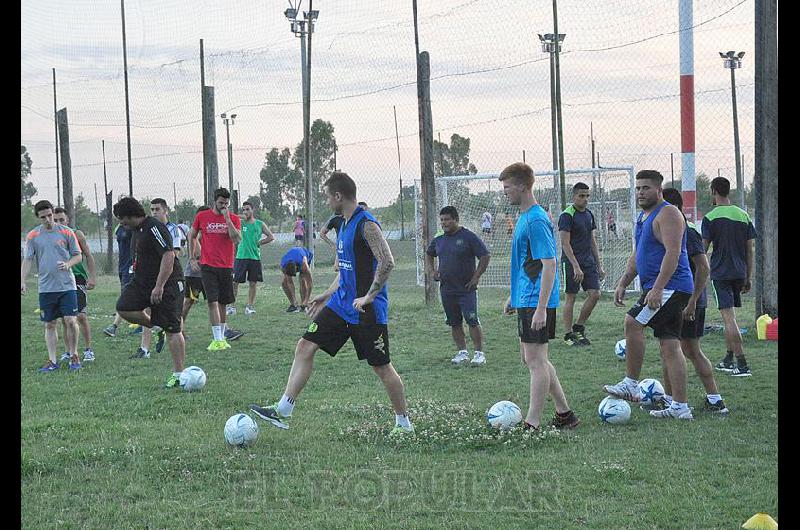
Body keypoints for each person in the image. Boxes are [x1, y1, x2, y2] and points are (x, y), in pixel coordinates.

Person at [250, 171, 413, 435]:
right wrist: (327, 294)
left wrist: (370, 295)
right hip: (340, 305)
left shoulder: (366, 225)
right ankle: (283, 410)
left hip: (366, 311)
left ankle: (403, 423)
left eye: (328, 196)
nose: (326, 201)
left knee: (381, 367)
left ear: (338, 196)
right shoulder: (343, 223)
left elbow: (387, 261)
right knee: (305, 345)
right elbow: (347, 270)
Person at [604, 170, 695, 420]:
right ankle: (680, 407)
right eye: (638, 188)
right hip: (661, 287)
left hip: (670, 286)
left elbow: (673, 252)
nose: (640, 192)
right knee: (669, 345)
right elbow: (637, 255)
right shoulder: (643, 217)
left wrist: (657, 288)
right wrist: (623, 281)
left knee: (632, 322)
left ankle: (631, 383)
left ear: (659, 189)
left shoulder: (668, 213)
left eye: (646, 188)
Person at [500, 163, 579, 431]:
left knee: (536, 361)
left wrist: (541, 308)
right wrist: (515, 296)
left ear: (523, 186)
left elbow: (549, 264)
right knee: (534, 359)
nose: (505, 192)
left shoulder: (535, 219)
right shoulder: (524, 217)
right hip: (527, 298)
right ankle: (564, 413)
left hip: (537, 300)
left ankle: (532, 422)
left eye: (507, 187)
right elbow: (526, 262)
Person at [659, 188, 728, 414]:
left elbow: (703, 267)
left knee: (686, 350)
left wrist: (693, 302)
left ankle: (712, 400)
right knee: (674, 349)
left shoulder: (686, 230)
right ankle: (675, 399)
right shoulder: (669, 228)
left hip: (687, 302)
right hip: (676, 299)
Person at [113, 197, 186, 388]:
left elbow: (169, 255)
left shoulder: (154, 227)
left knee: (174, 329)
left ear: (130, 215)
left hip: (168, 283)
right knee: (124, 308)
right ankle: (157, 327)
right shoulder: (136, 231)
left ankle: (179, 375)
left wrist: (159, 285)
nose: (121, 223)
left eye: (122, 219)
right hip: (142, 282)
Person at [703, 176, 757, 378]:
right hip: (739, 272)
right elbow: (749, 250)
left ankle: (742, 364)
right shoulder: (743, 215)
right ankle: (728, 359)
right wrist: (748, 276)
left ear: (714, 191)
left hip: (720, 273)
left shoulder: (711, 217)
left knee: (729, 319)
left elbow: (703, 248)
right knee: (730, 317)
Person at [21, 200, 84, 372]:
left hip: (67, 286)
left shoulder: (66, 232)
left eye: (50, 215)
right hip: (46, 287)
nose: (48, 219)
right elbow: (27, 259)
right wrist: (22, 280)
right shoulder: (33, 236)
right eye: (44, 217)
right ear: (38, 217)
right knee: (50, 324)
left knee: (71, 320)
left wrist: (68, 264)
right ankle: (52, 360)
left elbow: (78, 256)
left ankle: (74, 355)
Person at [425, 206, 491, 366]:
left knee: (472, 320)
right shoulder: (439, 239)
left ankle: (479, 353)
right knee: (454, 322)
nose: (444, 223)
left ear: (455, 219)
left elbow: (485, 255)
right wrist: (432, 271)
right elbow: (429, 253)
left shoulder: (468, 237)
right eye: (441, 220)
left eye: (447, 219)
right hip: (447, 289)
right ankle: (462, 352)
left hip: (466, 289)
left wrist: (476, 277)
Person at [188, 188, 242, 352]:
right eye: (221, 203)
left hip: (226, 266)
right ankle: (217, 338)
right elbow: (191, 235)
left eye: (226, 203)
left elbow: (236, 238)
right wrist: (191, 258)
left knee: (223, 302)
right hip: (207, 265)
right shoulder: (202, 217)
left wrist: (227, 219)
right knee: (212, 301)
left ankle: (223, 335)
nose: (224, 206)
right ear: (214, 201)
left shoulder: (232, 218)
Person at [129, 198, 183, 359]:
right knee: (146, 309)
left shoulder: (173, 229)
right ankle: (144, 349)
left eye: (157, 209)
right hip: (150, 276)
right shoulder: (146, 228)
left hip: (169, 277)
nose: (154, 212)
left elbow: (175, 254)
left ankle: (176, 338)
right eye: (152, 209)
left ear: (166, 210)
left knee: (174, 314)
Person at [558, 183, 606, 346]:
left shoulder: (589, 214)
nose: (585, 199)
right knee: (571, 297)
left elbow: (592, 241)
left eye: (587, 196)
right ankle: (568, 335)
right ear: (574, 197)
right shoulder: (567, 215)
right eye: (581, 196)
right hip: (572, 263)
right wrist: (576, 266)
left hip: (588, 262)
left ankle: (578, 327)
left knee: (595, 294)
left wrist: (599, 265)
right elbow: (565, 243)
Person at [52, 208, 97, 363]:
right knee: (66, 318)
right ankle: (68, 351)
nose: (58, 223)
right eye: (55, 220)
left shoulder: (77, 234)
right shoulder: (50, 236)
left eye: (61, 220)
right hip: (60, 279)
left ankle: (88, 349)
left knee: (81, 316)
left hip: (77, 278)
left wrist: (92, 277)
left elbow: (89, 255)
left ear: (67, 220)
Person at [230, 201, 274, 315]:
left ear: (252, 210)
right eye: (243, 209)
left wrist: (259, 243)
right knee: (235, 282)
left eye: (247, 209)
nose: (245, 212)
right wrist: (240, 216)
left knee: (253, 283)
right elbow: (231, 217)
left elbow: (270, 236)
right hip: (241, 257)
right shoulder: (240, 223)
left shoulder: (260, 224)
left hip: (254, 258)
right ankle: (231, 307)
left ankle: (249, 307)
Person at [182, 206, 211, 340]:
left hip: (207, 271)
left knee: (214, 301)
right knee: (189, 301)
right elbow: (197, 253)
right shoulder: (195, 232)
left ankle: (223, 330)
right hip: (195, 273)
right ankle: (178, 328)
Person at [102, 222, 136, 337]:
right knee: (135, 298)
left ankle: (114, 326)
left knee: (124, 298)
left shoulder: (134, 227)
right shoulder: (118, 228)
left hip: (131, 267)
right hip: (122, 266)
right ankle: (147, 324)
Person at [280, 247, 313, 313]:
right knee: (284, 282)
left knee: (303, 279)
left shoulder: (304, 264)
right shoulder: (283, 265)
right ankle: (293, 304)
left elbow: (310, 283)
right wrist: (294, 300)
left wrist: (306, 300)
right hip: (291, 259)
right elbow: (290, 283)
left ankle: (303, 305)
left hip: (303, 255)